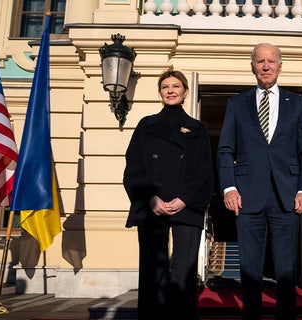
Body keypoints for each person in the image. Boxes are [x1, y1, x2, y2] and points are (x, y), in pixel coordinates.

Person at [217, 43, 302, 320]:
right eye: (260, 61)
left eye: (271, 61)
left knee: (285, 270)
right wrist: (229, 187)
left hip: (288, 196)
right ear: (253, 66)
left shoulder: (297, 104)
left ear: (280, 66)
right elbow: (225, 149)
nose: (266, 66)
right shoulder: (237, 104)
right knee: (249, 269)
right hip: (247, 196)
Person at [123, 70, 214, 320]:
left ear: (185, 92)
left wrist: (184, 199)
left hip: (187, 205)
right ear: (160, 92)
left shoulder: (198, 128)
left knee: (183, 273)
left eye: (176, 86)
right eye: (165, 86)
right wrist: (151, 198)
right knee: (153, 272)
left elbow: (204, 171)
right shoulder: (146, 125)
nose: (171, 90)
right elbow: (133, 167)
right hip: (152, 205)